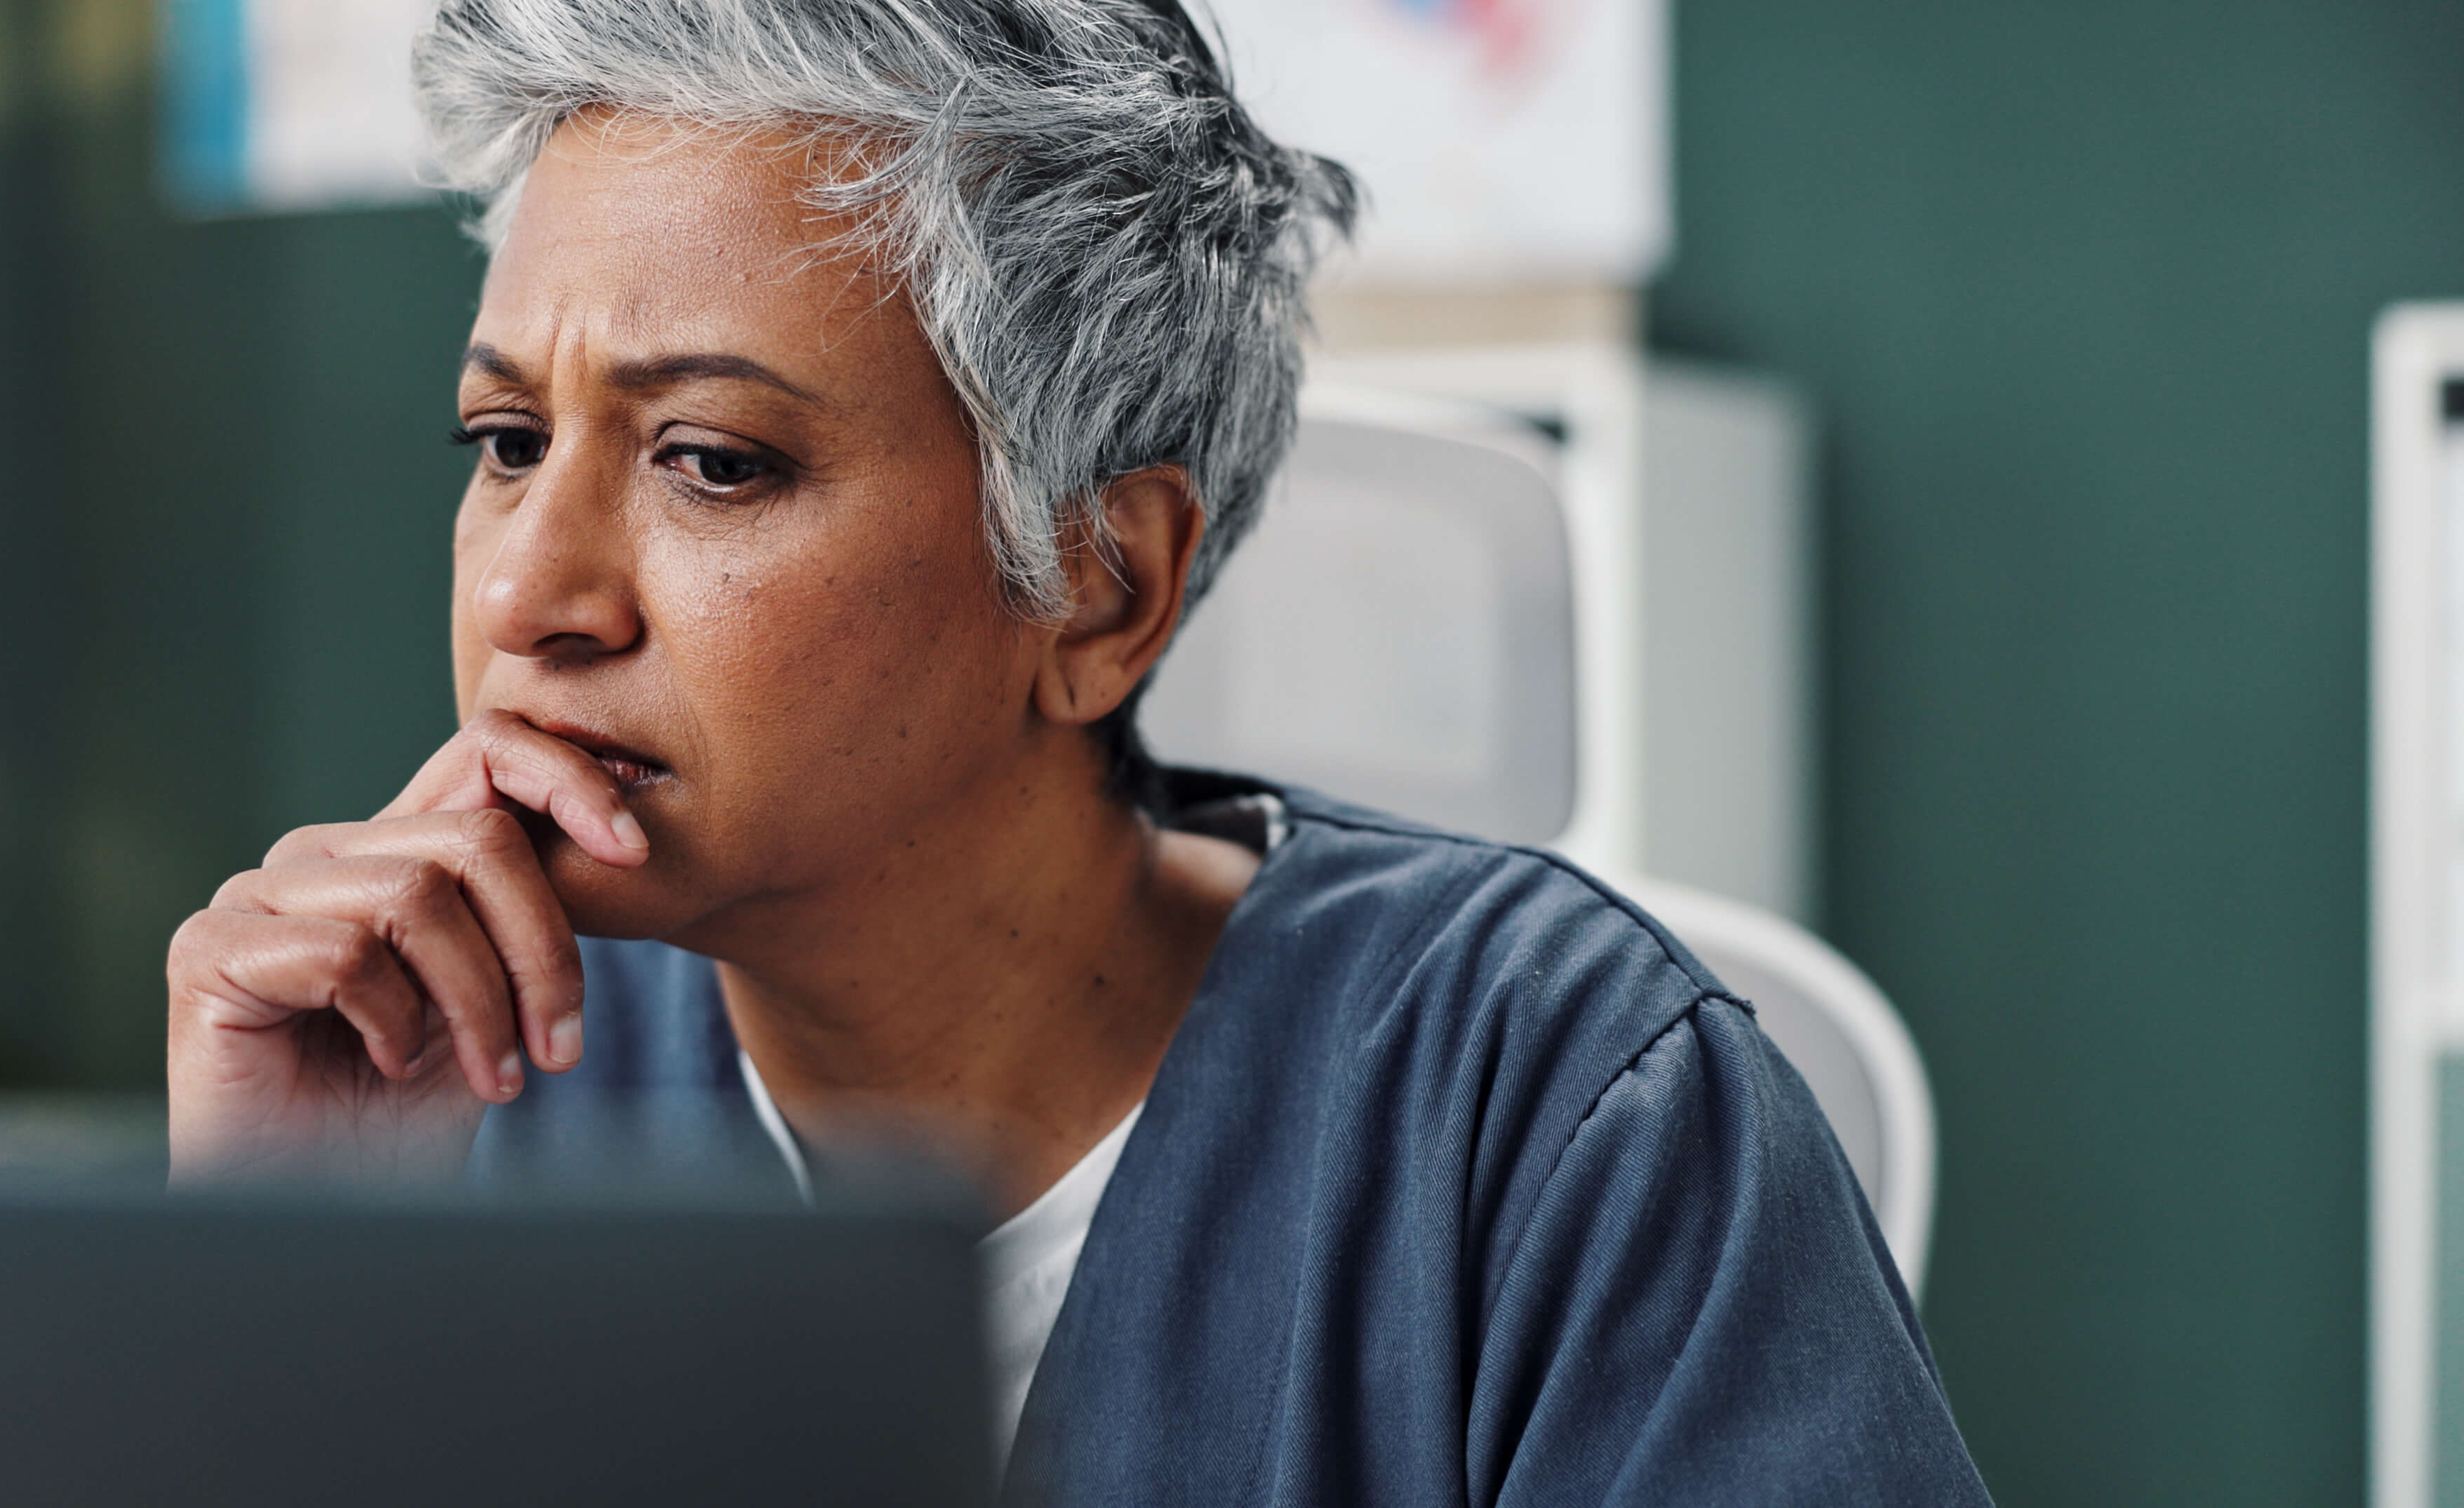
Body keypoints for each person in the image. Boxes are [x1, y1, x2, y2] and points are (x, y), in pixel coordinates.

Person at [163, 0, 1995, 1500]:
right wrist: (269, 1287)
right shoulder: (451, 1083)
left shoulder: (1559, 1111)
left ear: (1102, 585)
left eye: (713, 459)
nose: (534, 595)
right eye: (502, 442)